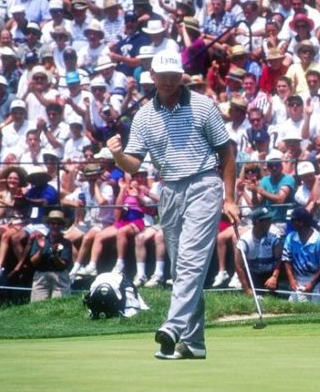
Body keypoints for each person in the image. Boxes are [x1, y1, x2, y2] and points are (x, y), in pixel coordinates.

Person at [106, 50, 238, 360]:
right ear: (152, 76)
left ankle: (173, 327)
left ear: (181, 76)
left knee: (191, 262)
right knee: (182, 269)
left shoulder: (204, 106)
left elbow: (227, 153)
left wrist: (229, 198)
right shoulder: (143, 116)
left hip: (204, 184)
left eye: (173, 75)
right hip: (169, 191)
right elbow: (133, 164)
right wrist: (116, 156)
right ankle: (194, 343)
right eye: (162, 75)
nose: (168, 81)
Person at [234, 207, 283, 297]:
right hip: (252, 275)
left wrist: (274, 277)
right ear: (258, 222)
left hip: (269, 275)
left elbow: (279, 258)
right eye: (267, 220)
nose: (270, 222)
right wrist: (246, 289)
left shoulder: (274, 238)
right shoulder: (245, 240)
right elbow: (238, 266)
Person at [282, 207, 320, 303]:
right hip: (298, 279)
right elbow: (286, 260)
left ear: (301, 222)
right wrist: (291, 279)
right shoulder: (290, 238)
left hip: (317, 280)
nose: (291, 223)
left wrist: (312, 283)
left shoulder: (319, 240)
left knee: (317, 311)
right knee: (292, 308)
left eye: (293, 220)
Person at [28, 209, 72, 302]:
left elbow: (62, 265)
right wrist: (40, 249)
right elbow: (33, 262)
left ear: (62, 226)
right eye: (52, 223)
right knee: (37, 307)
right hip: (41, 276)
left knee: (59, 307)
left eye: (58, 224)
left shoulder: (66, 243)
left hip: (59, 277)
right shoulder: (40, 240)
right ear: (48, 224)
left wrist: (55, 254)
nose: (55, 226)